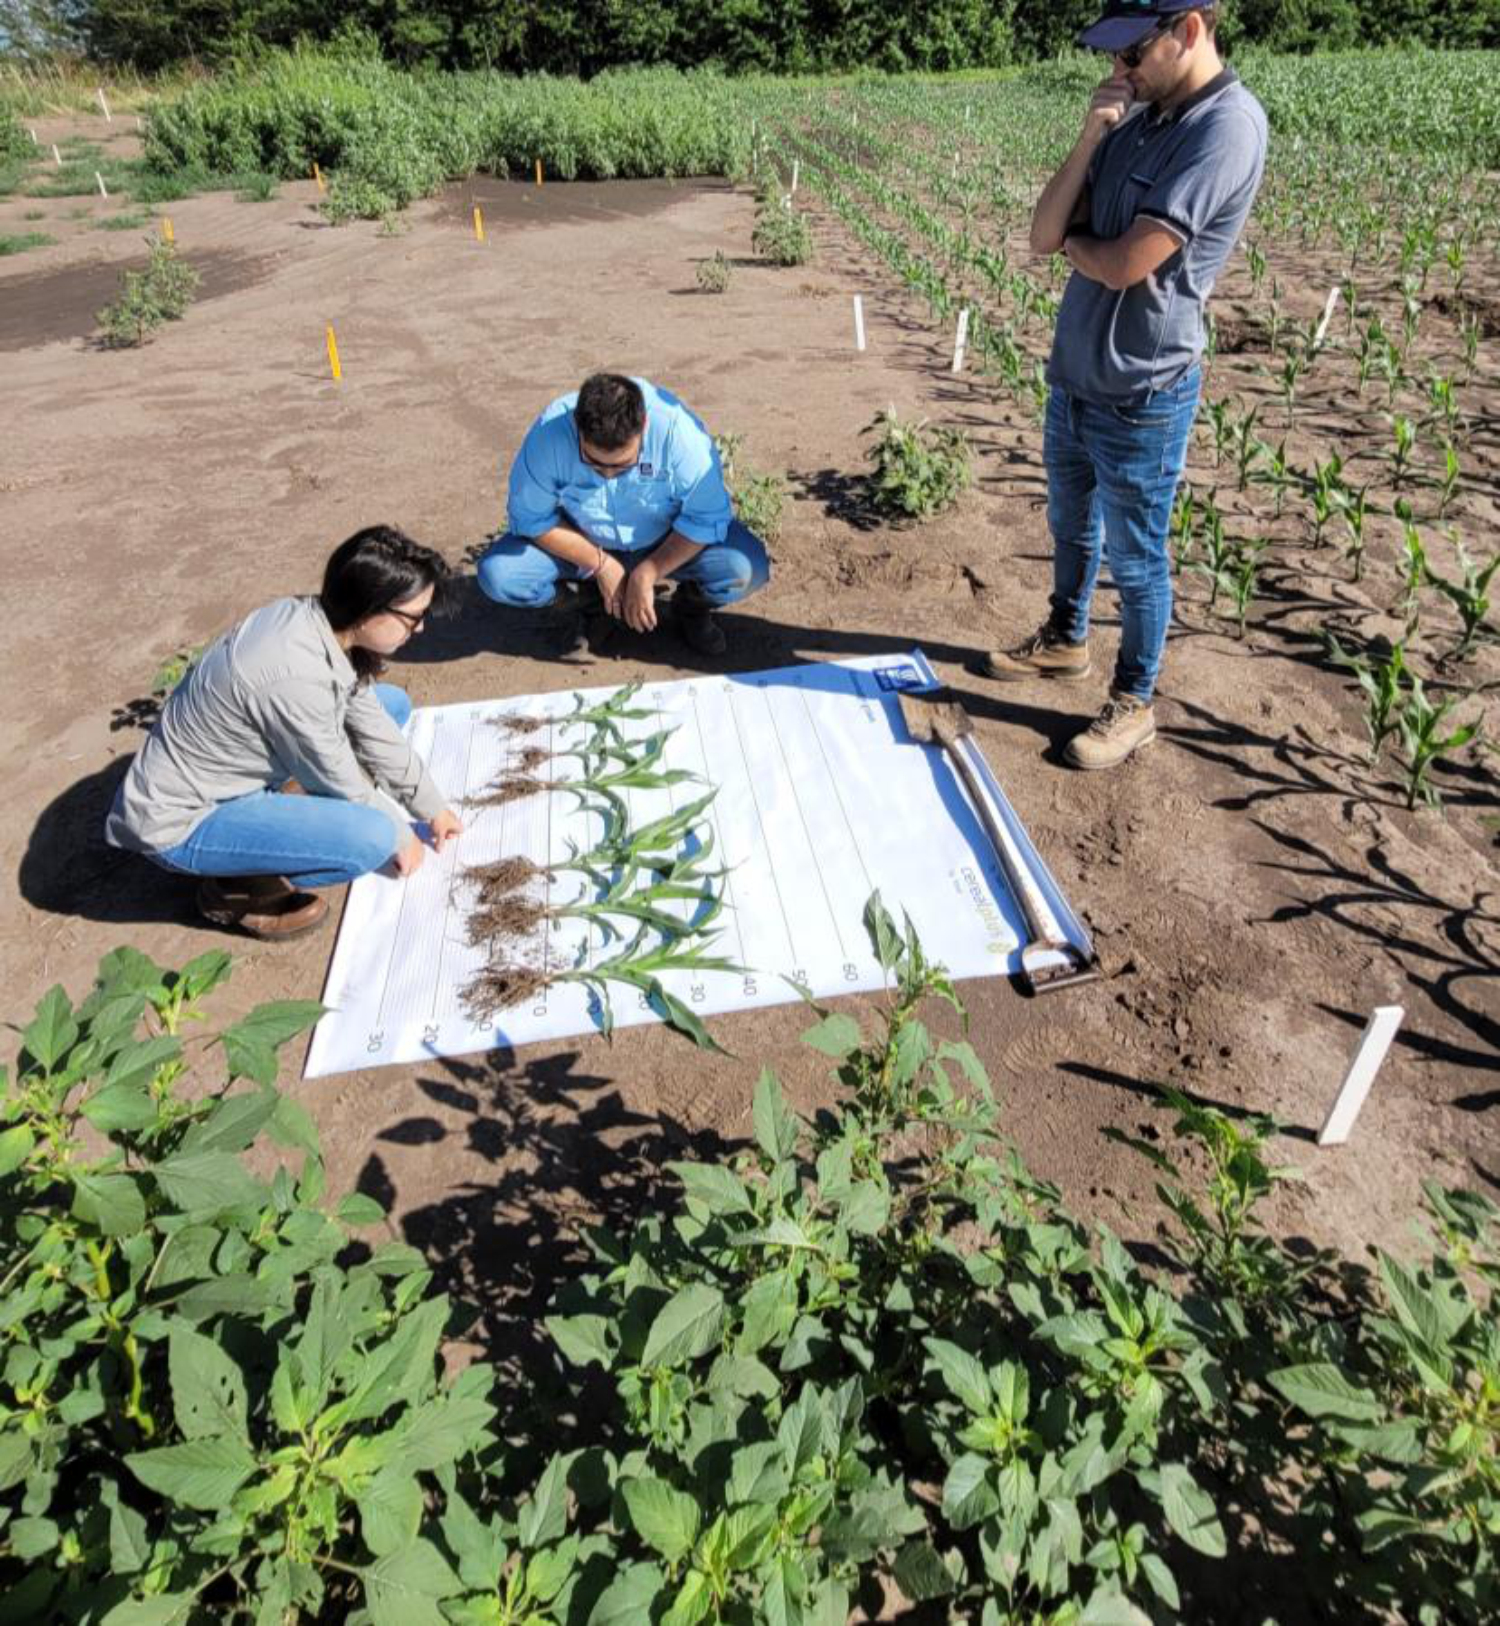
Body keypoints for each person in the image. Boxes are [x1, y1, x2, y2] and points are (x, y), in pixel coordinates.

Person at [983, 1, 1267, 769]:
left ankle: (1135, 701)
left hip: (1144, 390)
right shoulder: (1134, 121)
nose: (1119, 70)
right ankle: (1065, 639)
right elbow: (1043, 235)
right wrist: (1089, 136)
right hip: (1077, 373)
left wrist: (1080, 243)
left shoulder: (1226, 129)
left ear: (1191, 30)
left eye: (1132, 53)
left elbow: (1123, 264)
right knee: (1071, 524)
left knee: (1138, 560)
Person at [105, 526, 463, 939]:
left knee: (391, 704)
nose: (420, 629)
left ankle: (279, 803)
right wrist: (401, 836)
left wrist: (431, 806)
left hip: (235, 769)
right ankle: (238, 888)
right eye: (414, 617)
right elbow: (338, 778)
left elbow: (370, 722)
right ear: (369, 609)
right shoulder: (293, 675)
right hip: (183, 821)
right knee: (372, 837)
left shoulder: (319, 620)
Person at [477, 373, 771, 659]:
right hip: (583, 544)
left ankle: (690, 609)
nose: (607, 474)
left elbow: (706, 519)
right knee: (500, 575)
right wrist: (600, 564)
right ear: (577, 426)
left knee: (746, 569)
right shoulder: (547, 437)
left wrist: (650, 569)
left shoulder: (679, 434)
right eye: (593, 463)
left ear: (644, 426)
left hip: (666, 542)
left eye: (622, 465)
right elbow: (532, 520)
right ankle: (589, 604)